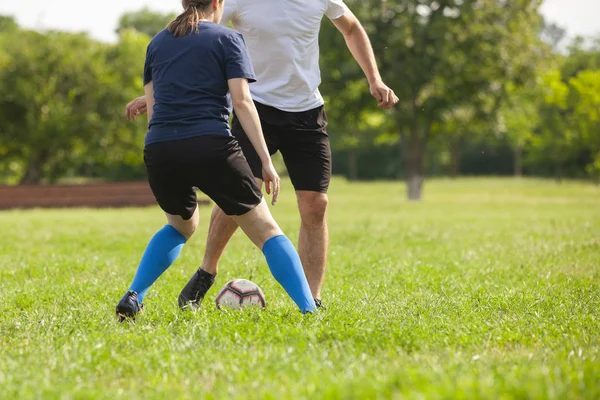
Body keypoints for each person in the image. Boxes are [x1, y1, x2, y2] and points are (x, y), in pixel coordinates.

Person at [125, 0, 399, 311]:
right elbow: (194, 29)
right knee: (237, 197)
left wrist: (374, 78)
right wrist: (166, 89)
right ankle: (207, 270)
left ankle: (313, 298)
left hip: (307, 111)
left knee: (315, 205)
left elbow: (351, 27)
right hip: (255, 109)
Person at [116, 0, 316, 321]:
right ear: (218, 3)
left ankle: (133, 295)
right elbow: (242, 102)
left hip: (160, 147)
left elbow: (155, 111)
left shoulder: (157, 42)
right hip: (211, 145)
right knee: (266, 231)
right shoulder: (227, 39)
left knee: (181, 227)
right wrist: (265, 159)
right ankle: (309, 309)